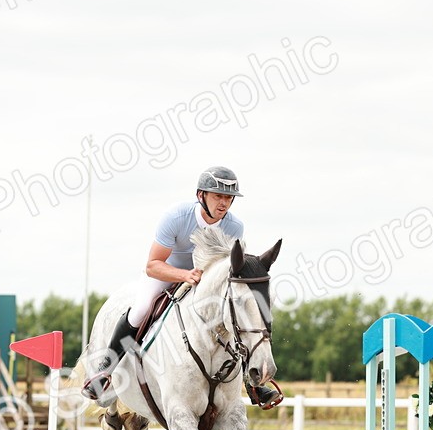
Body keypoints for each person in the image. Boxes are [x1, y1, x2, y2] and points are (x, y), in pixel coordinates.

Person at [82, 165, 283, 408]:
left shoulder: (234, 227)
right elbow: (152, 264)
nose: (224, 204)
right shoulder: (177, 217)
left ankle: (251, 385)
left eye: (228, 198)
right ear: (201, 196)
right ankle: (106, 370)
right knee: (141, 308)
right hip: (166, 272)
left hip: (204, 283)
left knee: (231, 319)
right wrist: (184, 274)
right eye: (218, 196)